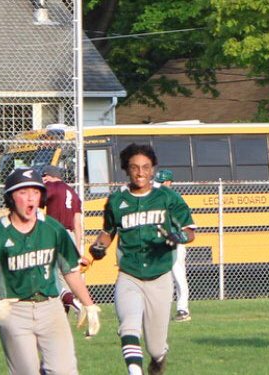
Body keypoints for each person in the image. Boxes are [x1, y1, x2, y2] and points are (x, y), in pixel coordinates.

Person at [0, 167, 101, 374]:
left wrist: (89, 306)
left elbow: (71, 271)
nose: (30, 198)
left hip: (51, 307)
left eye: (36, 192)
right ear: (10, 197)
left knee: (64, 371)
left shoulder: (52, 228)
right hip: (15, 311)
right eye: (23, 192)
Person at [88, 143, 196, 375]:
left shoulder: (167, 197)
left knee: (156, 347)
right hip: (130, 275)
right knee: (129, 326)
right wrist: (98, 247)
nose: (140, 173)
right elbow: (108, 232)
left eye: (146, 167)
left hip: (159, 276)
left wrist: (178, 236)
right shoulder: (117, 201)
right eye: (135, 167)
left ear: (153, 170)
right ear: (126, 169)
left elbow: (190, 231)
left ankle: (158, 359)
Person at [41, 165, 85, 316]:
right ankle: (66, 310)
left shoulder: (52, 186)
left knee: (48, 273)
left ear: (52, 176)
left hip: (56, 234)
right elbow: (77, 223)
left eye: (45, 175)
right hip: (70, 236)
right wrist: (78, 248)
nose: (43, 179)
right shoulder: (73, 193)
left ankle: (73, 303)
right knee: (66, 275)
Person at [153, 168, 192, 323]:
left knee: (178, 275)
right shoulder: (154, 198)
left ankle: (183, 309)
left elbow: (184, 222)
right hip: (159, 243)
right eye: (160, 182)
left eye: (164, 182)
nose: (162, 185)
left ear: (169, 182)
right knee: (162, 277)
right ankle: (162, 310)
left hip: (175, 242)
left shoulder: (174, 198)